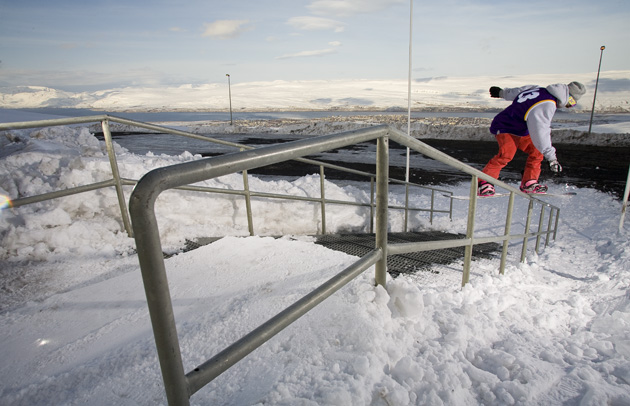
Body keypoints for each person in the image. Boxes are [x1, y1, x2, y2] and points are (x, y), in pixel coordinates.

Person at [478, 81, 587, 196]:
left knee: (537, 151)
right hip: (505, 126)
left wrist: (501, 93)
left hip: (520, 129)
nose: (568, 106)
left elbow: (517, 91)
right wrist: (552, 158)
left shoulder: (537, 89)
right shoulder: (547, 104)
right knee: (506, 154)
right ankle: (485, 183)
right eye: (571, 102)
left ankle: (529, 182)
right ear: (566, 96)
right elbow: (541, 132)